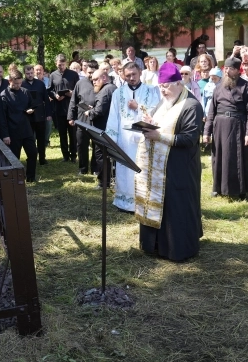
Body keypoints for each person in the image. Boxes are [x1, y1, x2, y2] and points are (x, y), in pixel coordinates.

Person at [135, 62, 204, 262]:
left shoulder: (191, 105)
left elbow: (189, 139)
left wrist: (159, 136)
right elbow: (161, 126)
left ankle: (177, 248)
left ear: (179, 83)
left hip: (180, 166)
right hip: (158, 167)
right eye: (160, 86)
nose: (163, 90)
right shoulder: (163, 102)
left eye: (166, 86)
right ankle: (154, 244)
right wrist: (150, 122)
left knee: (176, 206)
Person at [105, 62, 160, 213]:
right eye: (128, 75)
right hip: (125, 140)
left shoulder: (151, 91)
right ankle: (125, 203)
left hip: (144, 138)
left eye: (134, 74)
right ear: (123, 75)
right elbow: (113, 117)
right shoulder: (118, 93)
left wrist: (139, 107)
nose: (131, 78)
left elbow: (155, 114)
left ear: (140, 72)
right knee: (125, 170)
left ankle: (144, 201)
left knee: (143, 170)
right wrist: (111, 141)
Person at [203, 58, 248, 200]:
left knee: (238, 158)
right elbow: (211, 112)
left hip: (238, 126)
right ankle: (218, 187)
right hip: (220, 127)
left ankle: (241, 190)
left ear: (237, 71)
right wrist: (206, 132)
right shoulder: (218, 88)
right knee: (220, 158)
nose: (227, 71)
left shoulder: (246, 87)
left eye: (230, 69)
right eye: (225, 69)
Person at [0, 70, 38, 182]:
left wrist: (31, 110)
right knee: (15, 157)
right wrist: (5, 135)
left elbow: (33, 105)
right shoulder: (3, 96)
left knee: (33, 152)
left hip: (26, 128)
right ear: (9, 81)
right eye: (16, 84)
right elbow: (2, 118)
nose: (18, 86)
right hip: (12, 131)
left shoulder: (25, 92)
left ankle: (31, 177)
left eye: (20, 83)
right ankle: (15, 179)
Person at [86, 69, 117, 188]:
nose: (93, 82)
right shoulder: (112, 88)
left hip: (103, 129)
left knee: (101, 155)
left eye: (96, 79)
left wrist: (90, 112)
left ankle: (104, 182)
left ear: (104, 78)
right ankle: (110, 179)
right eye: (92, 80)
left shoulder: (105, 90)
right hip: (111, 128)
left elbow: (99, 111)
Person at [68, 61, 98, 175]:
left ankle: (95, 168)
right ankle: (83, 168)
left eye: (93, 73)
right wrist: (71, 117)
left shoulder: (101, 84)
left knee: (96, 145)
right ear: (85, 71)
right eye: (89, 72)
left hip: (96, 119)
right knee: (81, 144)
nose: (91, 75)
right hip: (82, 119)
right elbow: (73, 101)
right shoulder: (80, 83)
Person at [49, 53, 79, 162]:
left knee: (72, 134)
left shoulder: (73, 74)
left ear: (65, 63)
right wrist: (55, 95)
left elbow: (78, 89)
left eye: (62, 65)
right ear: (56, 64)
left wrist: (72, 94)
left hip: (71, 108)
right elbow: (50, 89)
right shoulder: (53, 75)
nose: (60, 67)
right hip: (59, 107)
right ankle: (65, 155)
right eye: (58, 65)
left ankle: (73, 155)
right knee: (62, 134)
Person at [22, 64, 52, 165]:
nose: (30, 75)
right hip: (27, 117)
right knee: (30, 139)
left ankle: (42, 159)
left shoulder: (40, 84)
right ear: (24, 73)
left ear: (34, 72)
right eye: (27, 73)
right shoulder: (21, 84)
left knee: (41, 138)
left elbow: (46, 100)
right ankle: (31, 158)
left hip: (40, 115)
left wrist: (48, 113)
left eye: (31, 73)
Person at [34, 64, 53, 146]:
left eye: (40, 70)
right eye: (37, 70)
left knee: (48, 123)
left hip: (48, 106)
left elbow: (52, 90)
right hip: (37, 108)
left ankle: (46, 140)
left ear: (43, 71)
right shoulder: (32, 82)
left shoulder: (48, 80)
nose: (38, 71)